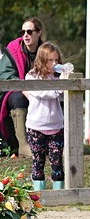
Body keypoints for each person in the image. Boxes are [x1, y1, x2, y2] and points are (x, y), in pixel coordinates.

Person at [22, 43, 65, 190]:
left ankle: (59, 193)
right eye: (50, 60)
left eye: (56, 60)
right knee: (38, 161)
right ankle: (38, 195)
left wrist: (66, 78)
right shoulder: (31, 76)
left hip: (56, 126)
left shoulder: (59, 77)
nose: (54, 64)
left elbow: (65, 96)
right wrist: (58, 90)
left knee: (57, 161)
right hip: (36, 127)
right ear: (42, 60)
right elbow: (42, 93)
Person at [0, 17, 45, 157]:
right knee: (18, 98)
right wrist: (25, 90)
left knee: (57, 99)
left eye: (30, 31)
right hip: (14, 93)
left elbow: (54, 71)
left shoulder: (46, 52)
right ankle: (23, 145)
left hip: (43, 92)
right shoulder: (12, 51)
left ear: (39, 33)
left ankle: (54, 143)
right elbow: (5, 75)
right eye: (23, 31)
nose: (25, 35)